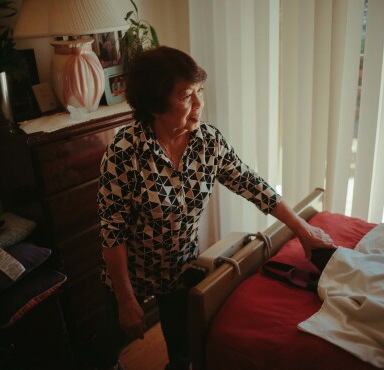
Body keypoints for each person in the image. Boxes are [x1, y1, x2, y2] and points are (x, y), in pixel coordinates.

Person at [97, 46, 336, 370]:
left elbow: (252, 184)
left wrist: (302, 229)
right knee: (107, 353)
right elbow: (113, 232)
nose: (199, 105)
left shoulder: (208, 142)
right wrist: (126, 300)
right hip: (131, 273)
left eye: (200, 92)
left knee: (182, 355)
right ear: (155, 104)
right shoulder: (125, 151)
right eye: (186, 96)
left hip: (180, 268)